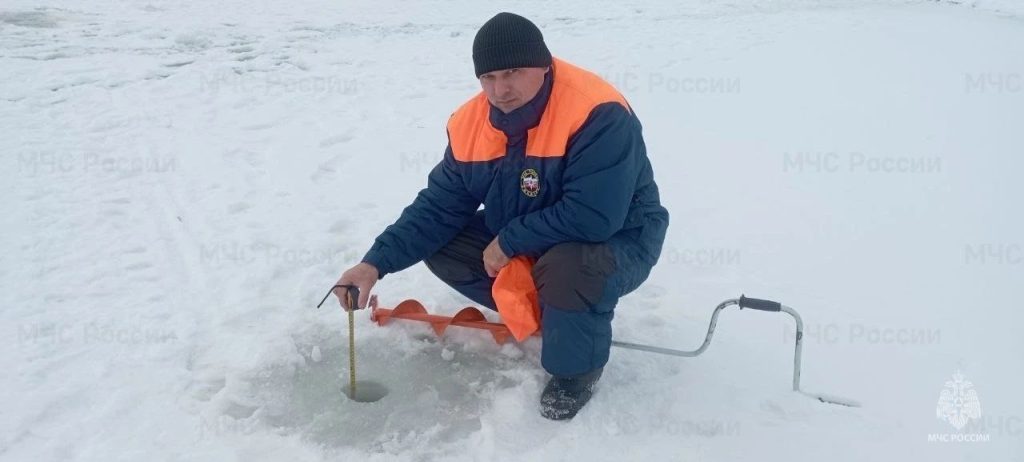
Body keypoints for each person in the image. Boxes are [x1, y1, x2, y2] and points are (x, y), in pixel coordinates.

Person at [334, 12, 669, 420]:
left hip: (619, 238)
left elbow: (594, 216)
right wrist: (374, 263)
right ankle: (554, 313)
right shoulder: (469, 124)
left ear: (543, 65)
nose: (500, 90)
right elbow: (438, 206)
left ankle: (576, 369)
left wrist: (509, 241)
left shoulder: (596, 111)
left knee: (571, 268)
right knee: (441, 243)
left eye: (513, 72)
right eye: (488, 77)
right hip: (530, 230)